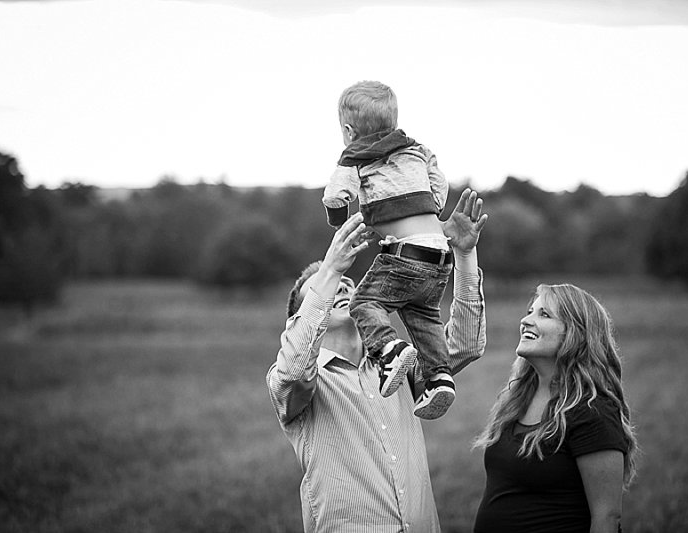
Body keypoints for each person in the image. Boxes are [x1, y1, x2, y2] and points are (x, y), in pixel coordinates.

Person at [268, 189, 488, 533]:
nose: (340, 286)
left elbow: (464, 345)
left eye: (346, 283)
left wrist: (464, 255)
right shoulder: (294, 383)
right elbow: (295, 365)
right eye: (324, 289)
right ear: (302, 317)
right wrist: (329, 268)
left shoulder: (398, 363)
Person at [322, 80, 456, 419]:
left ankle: (389, 349)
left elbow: (337, 195)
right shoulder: (417, 149)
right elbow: (440, 185)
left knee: (364, 302)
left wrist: (340, 222)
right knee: (422, 312)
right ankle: (439, 377)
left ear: (349, 131)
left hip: (406, 254)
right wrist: (430, 209)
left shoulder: (354, 157)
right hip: (440, 253)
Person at [473, 283, 638, 533]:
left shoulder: (592, 411)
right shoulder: (517, 399)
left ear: (576, 334)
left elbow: (607, 517)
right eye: (530, 311)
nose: (526, 320)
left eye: (544, 314)